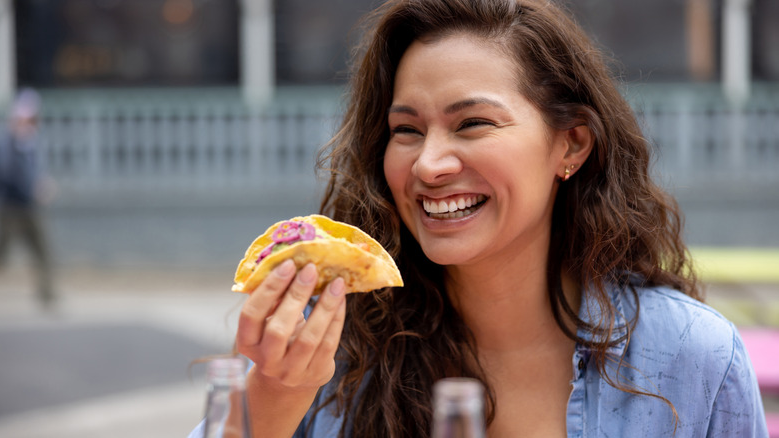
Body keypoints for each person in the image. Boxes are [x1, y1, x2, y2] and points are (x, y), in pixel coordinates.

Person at [190, 0, 768, 436]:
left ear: (571, 144)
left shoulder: (692, 358)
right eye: (406, 131)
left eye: (473, 124)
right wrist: (267, 400)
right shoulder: (331, 351)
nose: (429, 164)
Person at [0, 88, 56, 310]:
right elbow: (7, 173)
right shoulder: (7, 143)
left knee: (43, 251)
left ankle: (47, 293)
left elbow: (37, 171)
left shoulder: (32, 143)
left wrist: (42, 185)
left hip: (30, 208)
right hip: (9, 208)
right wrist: (31, 188)